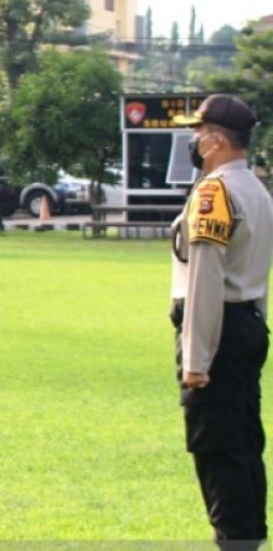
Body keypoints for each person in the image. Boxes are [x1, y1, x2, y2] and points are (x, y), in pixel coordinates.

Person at [170, 94, 273, 548]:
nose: (193, 140)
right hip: (246, 323)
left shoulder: (215, 193)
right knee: (244, 445)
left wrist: (196, 359)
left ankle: (235, 540)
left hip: (218, 332)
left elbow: (206, 282)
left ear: (214, 140)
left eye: (197, 132)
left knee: (217, 450)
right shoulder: (256, 189)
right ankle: (248, 537)